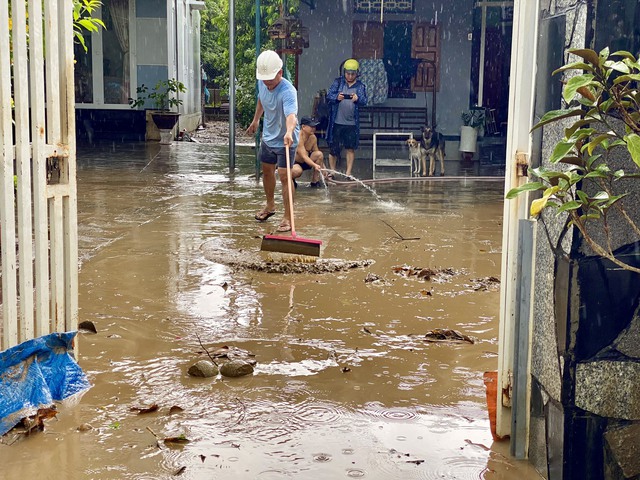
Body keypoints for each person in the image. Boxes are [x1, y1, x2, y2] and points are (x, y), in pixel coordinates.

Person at [246, 50, 300, 233]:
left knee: (285, 176)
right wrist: (256, 120)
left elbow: (291, 115)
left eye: (270, 78)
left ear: (280, 73)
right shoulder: (262, 84)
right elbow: (261, 101)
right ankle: (270, 206)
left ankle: (288, 217)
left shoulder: (288, 91)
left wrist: (290, 132)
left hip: (286, 140)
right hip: (268, 136)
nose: (267, 82)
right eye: (264, 78)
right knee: (267, 172)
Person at [326, 58, 368, 178]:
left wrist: (357, 99)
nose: (349, 76)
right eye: (347, 73)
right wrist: (336, 97)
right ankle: (332, 171)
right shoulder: (338, 82)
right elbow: (329, 95)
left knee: (350, 148)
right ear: (344, 72)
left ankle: (348, 173)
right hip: (336, 122)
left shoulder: (360, 86)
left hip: (351, 123)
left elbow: (364, 101)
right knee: (333, 149)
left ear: (357, 74)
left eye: (352, 74)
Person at [292, 116, 326, 188]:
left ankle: (315, 181)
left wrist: (324, 169)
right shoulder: (298, 137)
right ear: (303, 127)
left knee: (319, 154)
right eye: (311, 126)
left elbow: (317, 153)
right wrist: (315, 165)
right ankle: (291, 180)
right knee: (297, 171)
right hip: (295, 163)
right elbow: (304, 156)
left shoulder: (313, 137)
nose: (313, 128)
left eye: (314, 126)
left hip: (307, 162)